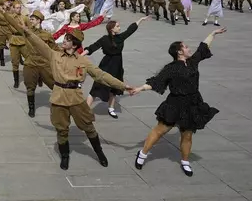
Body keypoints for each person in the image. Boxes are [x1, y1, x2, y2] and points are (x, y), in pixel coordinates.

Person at [20, 25, 133, 170]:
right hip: (58, 97)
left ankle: (99, 153)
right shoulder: (54, 55)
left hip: (76, 98)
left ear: (74, 45)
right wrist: (26, 29)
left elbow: (101, 75)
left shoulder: (83, 61)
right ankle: (65, 156)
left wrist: (123, 86)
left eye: (67, 40)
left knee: (88, 127)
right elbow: (37, 42)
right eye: (64, 39)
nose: (63, 42)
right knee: (61, 129)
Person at [131, 28, 225, 177]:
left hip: (193, 102)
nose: (189, 48)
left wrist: (213, 34)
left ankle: (185, 161)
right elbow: (157, 82)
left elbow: (203, 47)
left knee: (187, 134)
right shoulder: (171, 68)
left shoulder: (192, 62)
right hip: (175, 103)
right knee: (160, 130)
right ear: (179, 52)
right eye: (186, 47)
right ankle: (142, 154)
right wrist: (140, 88)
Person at [84, 16, 149, 118]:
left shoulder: (120, 37)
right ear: (112, 29)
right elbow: (92, 47)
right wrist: (80, 55)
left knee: (114, 87)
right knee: (97, 87)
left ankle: (111, 108)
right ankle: (85, 109)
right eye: (117, 26)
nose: (119, 28)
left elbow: (130, 30)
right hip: (106, 64)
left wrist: (140, 20)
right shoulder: (104, 39)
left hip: (117, 65)